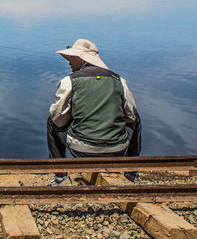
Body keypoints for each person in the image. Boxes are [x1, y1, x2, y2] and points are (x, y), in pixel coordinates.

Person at [47, 39, 142, 184]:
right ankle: (131, 173)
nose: (69, 63)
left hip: (81, 151)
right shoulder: (119, 80)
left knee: (51, 122)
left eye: (72, 58)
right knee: (137, 120)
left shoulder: (69, 81)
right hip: (117, 150)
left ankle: (60, 177)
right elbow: (130, 116)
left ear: (80, 58)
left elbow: (58, 118)